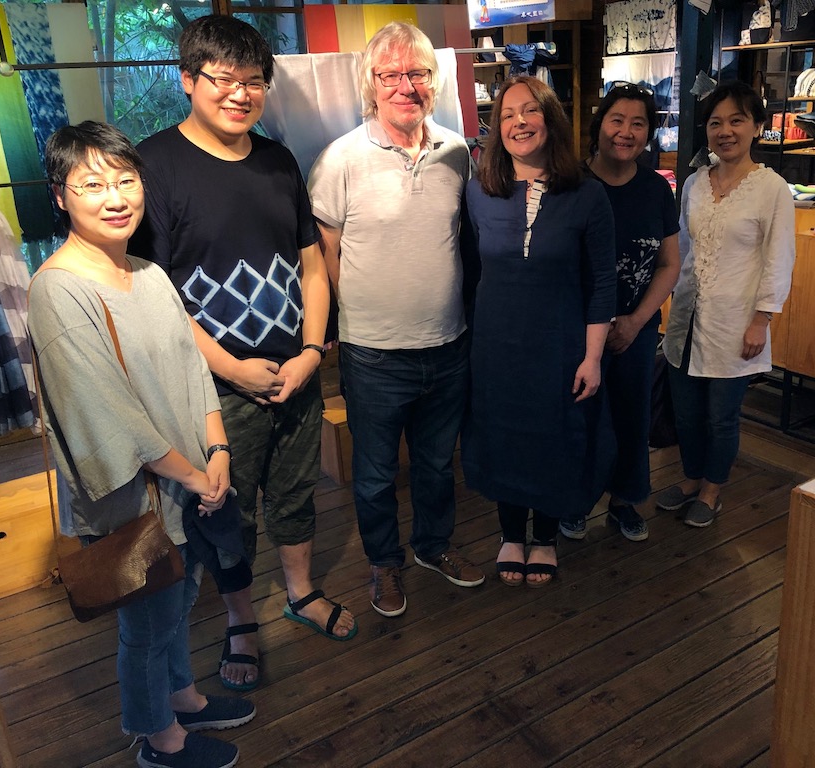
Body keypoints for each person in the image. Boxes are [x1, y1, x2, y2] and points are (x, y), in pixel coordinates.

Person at [131, 15, 356, 693]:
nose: (240, 93)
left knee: (294, 491)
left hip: (296, 370)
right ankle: (238, 619)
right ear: (188, 81)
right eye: (223, 79)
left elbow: (312, 263)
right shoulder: (153, 167)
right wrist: (228, 367)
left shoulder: (277, 159)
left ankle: (300, 590)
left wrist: (313, 351)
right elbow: (155, 294)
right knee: (225, 509)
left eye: (253, 80)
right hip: (211, 387)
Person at [30, 121, 255, 768]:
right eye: (92, 184)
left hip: (189, 483)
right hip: (139, 498)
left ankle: (181, 695)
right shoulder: (59, 288)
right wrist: (192, 473)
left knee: (181, 601)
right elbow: (107, 412)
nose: (115, 196)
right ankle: (158, 738)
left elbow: (193, 371)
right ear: (60, 196)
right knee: (147, 622)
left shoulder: (150, 274)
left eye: (125, 179)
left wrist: (218, 455)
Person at [309, 21, 485, 618]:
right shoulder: (341, 159)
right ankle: (385, 565)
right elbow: (325, 252)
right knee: (376, 474)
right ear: (371, 84)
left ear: (433, 83)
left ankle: (434, 547)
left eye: (417, 74)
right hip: (374, 353)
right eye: (391, 75)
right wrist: (346, 319)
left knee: (438, 464)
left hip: (448, 343)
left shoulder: (457, 151)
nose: (405, 86)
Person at [464, 76, 616, 587]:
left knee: (555, 439)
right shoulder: (478, 193)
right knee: (504, 438)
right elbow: (468, 274)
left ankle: (546, 537)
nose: (519, 123)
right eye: (507, 115)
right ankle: (510, 533)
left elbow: (601, 285)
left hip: (561, 346)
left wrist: (593, 357)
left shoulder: (588, 196)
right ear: (496, 129)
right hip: (495, 346)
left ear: (550, 121)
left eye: (530, 112)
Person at [658, 80, 795, 527]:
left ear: (756, 126)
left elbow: (779, 259)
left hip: (736, 323)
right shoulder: (696, 182)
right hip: (686, 318)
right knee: (687, 413)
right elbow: (680, 247)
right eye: (716, 122)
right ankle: (692, 477)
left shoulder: (772, 189)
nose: (725, 130)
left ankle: (713, 489)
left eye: (737, 120)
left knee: (720, 417)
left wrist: (762, 321)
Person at [559, 84, 681, 545]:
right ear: (599, 124)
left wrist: (635, 322)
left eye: (638, 123)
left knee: (631, 416)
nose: (626, 132)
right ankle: (574, 500)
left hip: (636, 327)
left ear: (649, 132)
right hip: (575, 329)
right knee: (580, 416)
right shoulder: (571, 184)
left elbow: (670, 263)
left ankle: (626, 500)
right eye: (617, 120)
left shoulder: (655, 189)